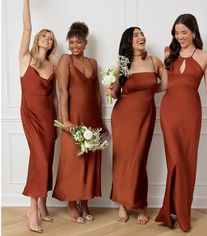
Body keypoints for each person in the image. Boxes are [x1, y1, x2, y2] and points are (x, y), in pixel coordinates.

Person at [155, 13, 207, 232]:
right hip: (169, 112)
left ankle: (181, 212)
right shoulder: (169, 55)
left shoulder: (205, 56)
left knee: (187, 161)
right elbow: (163, 87)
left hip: (191, 113)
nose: (179, 36)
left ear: (193, 32)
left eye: (183, 32)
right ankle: (172, 211)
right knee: (175, 160)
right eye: (176, 32)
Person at [105, 27, 166, 224]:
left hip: (145, 116)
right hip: (123, 116)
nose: (141, 37)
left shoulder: (154, 61)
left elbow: (165, 85)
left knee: (139, 160)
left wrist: (147, 91)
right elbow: (115, 93)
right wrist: (110, 89)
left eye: (142, 34)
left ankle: (141, 205)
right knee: (122, 159)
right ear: (128, 41)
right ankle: (122, 204)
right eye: (136, 35)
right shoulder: (122, 64)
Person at [52, 22, 106, 224]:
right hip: (73, 119)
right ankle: (72, 204)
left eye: (78, 42)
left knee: (90, 161)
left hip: (92, 119)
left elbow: (98, 96)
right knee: (73, 162)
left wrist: (101, 123)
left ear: (86, 42)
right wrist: (65, 119)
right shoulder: (66, 60)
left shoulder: (93, 63)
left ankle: (85, 204)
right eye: (71, 42)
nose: (74, 45)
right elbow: (63, 91)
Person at [19, 0, 58, 233]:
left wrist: (58, 121)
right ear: (37, 39)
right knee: (39, 159)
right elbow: (26, 27)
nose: (47, 39)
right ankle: (32, 209)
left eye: (50, 37)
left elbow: (53, 98)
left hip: (48, 117)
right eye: (44, 35)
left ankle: (43, 203)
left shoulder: (52, 67)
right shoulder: (26, 58)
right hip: (31, 115)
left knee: (47, 157)